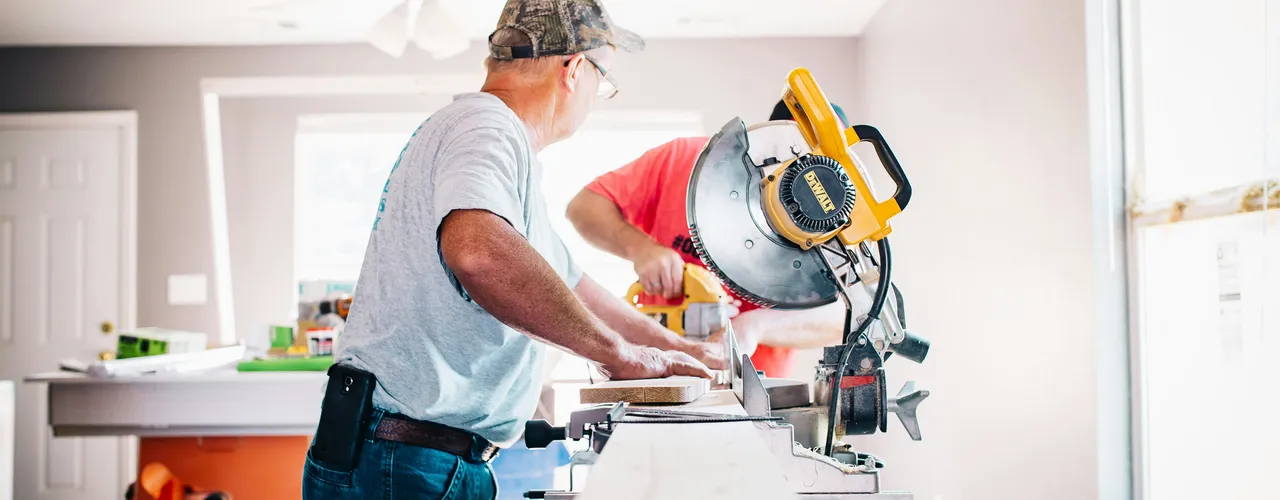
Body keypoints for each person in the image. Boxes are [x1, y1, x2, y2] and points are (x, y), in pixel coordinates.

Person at [301, 1, 726, 498]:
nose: (597, 96)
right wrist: (618, 354)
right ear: (574, 70)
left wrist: (677, 351)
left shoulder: (493, 144)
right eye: (603, 80)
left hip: (407, 454)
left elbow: (575, 288)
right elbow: (478, 253)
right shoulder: (487, 125)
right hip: (407, 460)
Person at [566, 101, 856, 379]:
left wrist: (756, 326)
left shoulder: (832, 222)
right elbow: (584, 207)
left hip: (753, 385)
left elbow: (847, 314)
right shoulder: (685, 160)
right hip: (655, 367)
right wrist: (640, 248)